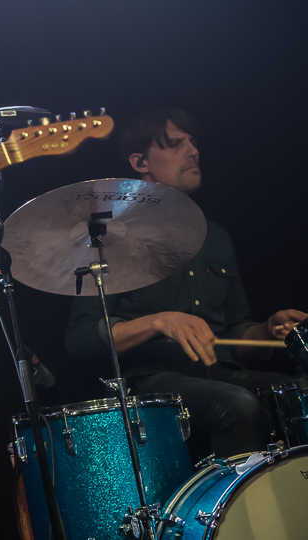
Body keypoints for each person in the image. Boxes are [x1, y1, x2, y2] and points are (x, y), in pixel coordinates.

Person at [65, 106, 306, 458]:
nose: (193, 151)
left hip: (217, 373)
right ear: (140, 162)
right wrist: (160, 321)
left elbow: (236, 331)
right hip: (148, 383)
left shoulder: (216, 237)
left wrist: (267, 330)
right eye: (176, 144)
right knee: (237, 404)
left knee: (298, 392)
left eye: (193, 142)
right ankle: (230, 513)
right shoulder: (109, 237)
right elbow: (80, 338)